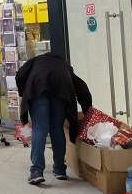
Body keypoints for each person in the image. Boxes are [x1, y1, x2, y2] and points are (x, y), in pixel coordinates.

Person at [15, 53, 92, 185]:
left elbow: (20, 75)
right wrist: (88, 110)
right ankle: (60, 169)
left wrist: (23, 92)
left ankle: (36, 171)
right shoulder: (64, 66)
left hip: (38, 89)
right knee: (57, 128)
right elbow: (81, 87)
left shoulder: (35, 61)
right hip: (61, 90)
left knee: (40, 128)